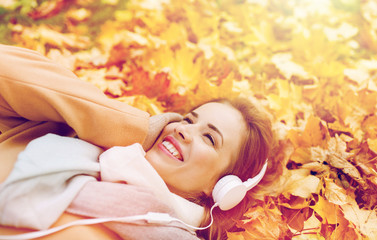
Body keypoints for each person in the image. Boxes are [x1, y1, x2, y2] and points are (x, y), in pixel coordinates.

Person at [0, 45, 273, 240]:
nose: (183, 130)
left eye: (209, 137)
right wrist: (133, 129)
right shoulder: (66, 135)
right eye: (188, 120)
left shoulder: (165, 232)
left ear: (221, 188)